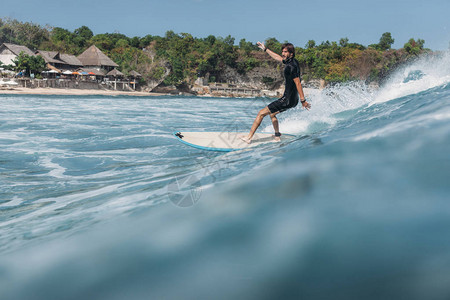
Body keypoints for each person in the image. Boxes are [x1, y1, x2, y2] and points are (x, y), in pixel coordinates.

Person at [240, 42, 310, 143]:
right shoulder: (292, 62)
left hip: (287, 100)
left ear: (291, 53)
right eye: (282, 51)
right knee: (272, 114)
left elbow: (298, 83)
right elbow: (278, 58)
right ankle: (277, 135)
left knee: (261, 113)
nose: (283, 53)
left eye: (285, 52)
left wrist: (303, 100)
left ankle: (248, 138)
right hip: (292, 100)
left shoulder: (291, 66)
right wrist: (265, 49)